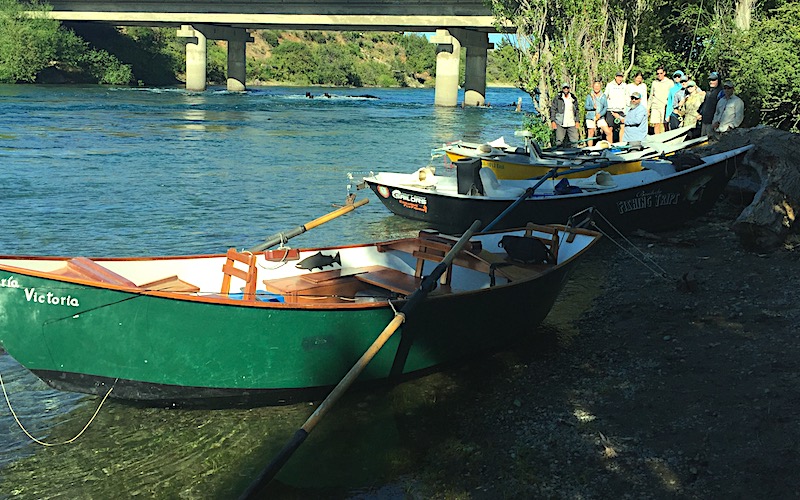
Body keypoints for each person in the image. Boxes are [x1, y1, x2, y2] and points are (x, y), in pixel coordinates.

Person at [550, 83, 580, 147]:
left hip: (571, 122)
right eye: (564, 88)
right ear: (562, 89)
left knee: (574, 141)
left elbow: (577, 110)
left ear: (569, 89)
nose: (566, 89)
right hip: (560, 122)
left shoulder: (573, 98)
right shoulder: (558, 98)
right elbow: (553, 109)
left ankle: (574, 154)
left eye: (567, 88)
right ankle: (558, 155)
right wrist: (553, 121)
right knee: (559, 141)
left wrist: (577, 121)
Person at [584, 81, 611, 146]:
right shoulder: (589, 96)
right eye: (595, 86)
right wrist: (592, 107)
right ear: (593, 87)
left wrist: (600, 114)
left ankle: (610, 147)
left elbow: (605, 107)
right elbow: (586, 106)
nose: (597, 88)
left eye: (598, 86)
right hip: (591, 117)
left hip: (600, 117)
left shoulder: (603, 96)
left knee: (608, 132)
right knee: (591, 133)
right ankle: (590, 149)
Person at [605, 71, 629, 141]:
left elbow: (627, 97)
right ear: (615, 77)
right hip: (611, 110)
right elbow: (605, 96)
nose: (620, 79)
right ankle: (610, 144)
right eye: (618, 77)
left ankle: (621, 143)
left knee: (623, 126)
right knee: (610, 128)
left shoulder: (625, 86)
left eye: (621, 77)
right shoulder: (610, 85)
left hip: (621, 110)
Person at [650, 66, 672, 135]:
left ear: (664, 73)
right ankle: (656, 139)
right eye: (658, 73)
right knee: (656, 124)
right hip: (655, 106)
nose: (659, 75)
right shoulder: (654, 82)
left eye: (661, 73)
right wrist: (648, 108)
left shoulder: (669, 82)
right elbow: (651, 95)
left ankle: (667, 139)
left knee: (665, 124)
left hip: (664, 106)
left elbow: (672, 96)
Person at [700, 71, 723, 137]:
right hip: (705, 121)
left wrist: (717, 121)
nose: (711, 82)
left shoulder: (721, 92)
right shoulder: (709, 91)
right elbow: (705, 105)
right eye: (710, 80)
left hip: (713, 122)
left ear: (718, 80)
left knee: (711, 141)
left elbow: (721, 108)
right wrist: (701, 113)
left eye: (714, 80)